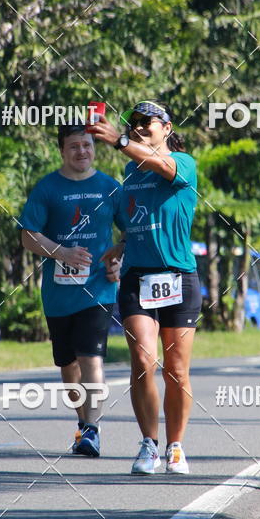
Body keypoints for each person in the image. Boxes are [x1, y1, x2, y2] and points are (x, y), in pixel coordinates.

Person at [89, 100, 201, 475]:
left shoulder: (183, 162)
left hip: (179, 276)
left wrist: (119, 140)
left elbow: (162, 167)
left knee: (176, 369)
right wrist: (121, 245)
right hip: (138, 278)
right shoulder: (129, 171)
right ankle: (149, 445)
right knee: (142, 361)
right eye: (132, 122)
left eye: (146, 122)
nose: (138, 127)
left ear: (166, 128)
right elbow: (142, 217)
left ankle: (176, 447)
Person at [19, 125, 127, 457]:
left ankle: (92, 429)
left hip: (98, 289)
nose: (82, 151)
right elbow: (28, 235)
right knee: (69, 367)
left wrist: (117, 260)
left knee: (91, 358)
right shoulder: (48, 188)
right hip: (58, 295)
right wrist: (61, 252)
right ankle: (83, 424)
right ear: (62, 151)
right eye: (74, 146)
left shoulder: (110, 187)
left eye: (87, 145)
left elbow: (130, 233)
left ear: (94, 148)